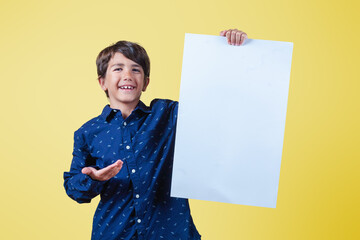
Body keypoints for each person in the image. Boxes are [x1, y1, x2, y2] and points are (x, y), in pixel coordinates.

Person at [63, 29, 247, 240]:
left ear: (146, 83)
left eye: (136, 69)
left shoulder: (167, 115)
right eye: (118, 68)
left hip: (171, 232)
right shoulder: (88, 132)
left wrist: (228, 53)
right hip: (114, 232)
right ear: (102, 82)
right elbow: (75, 189)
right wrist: (94, 178)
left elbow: (211, 101)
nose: (128, 75)